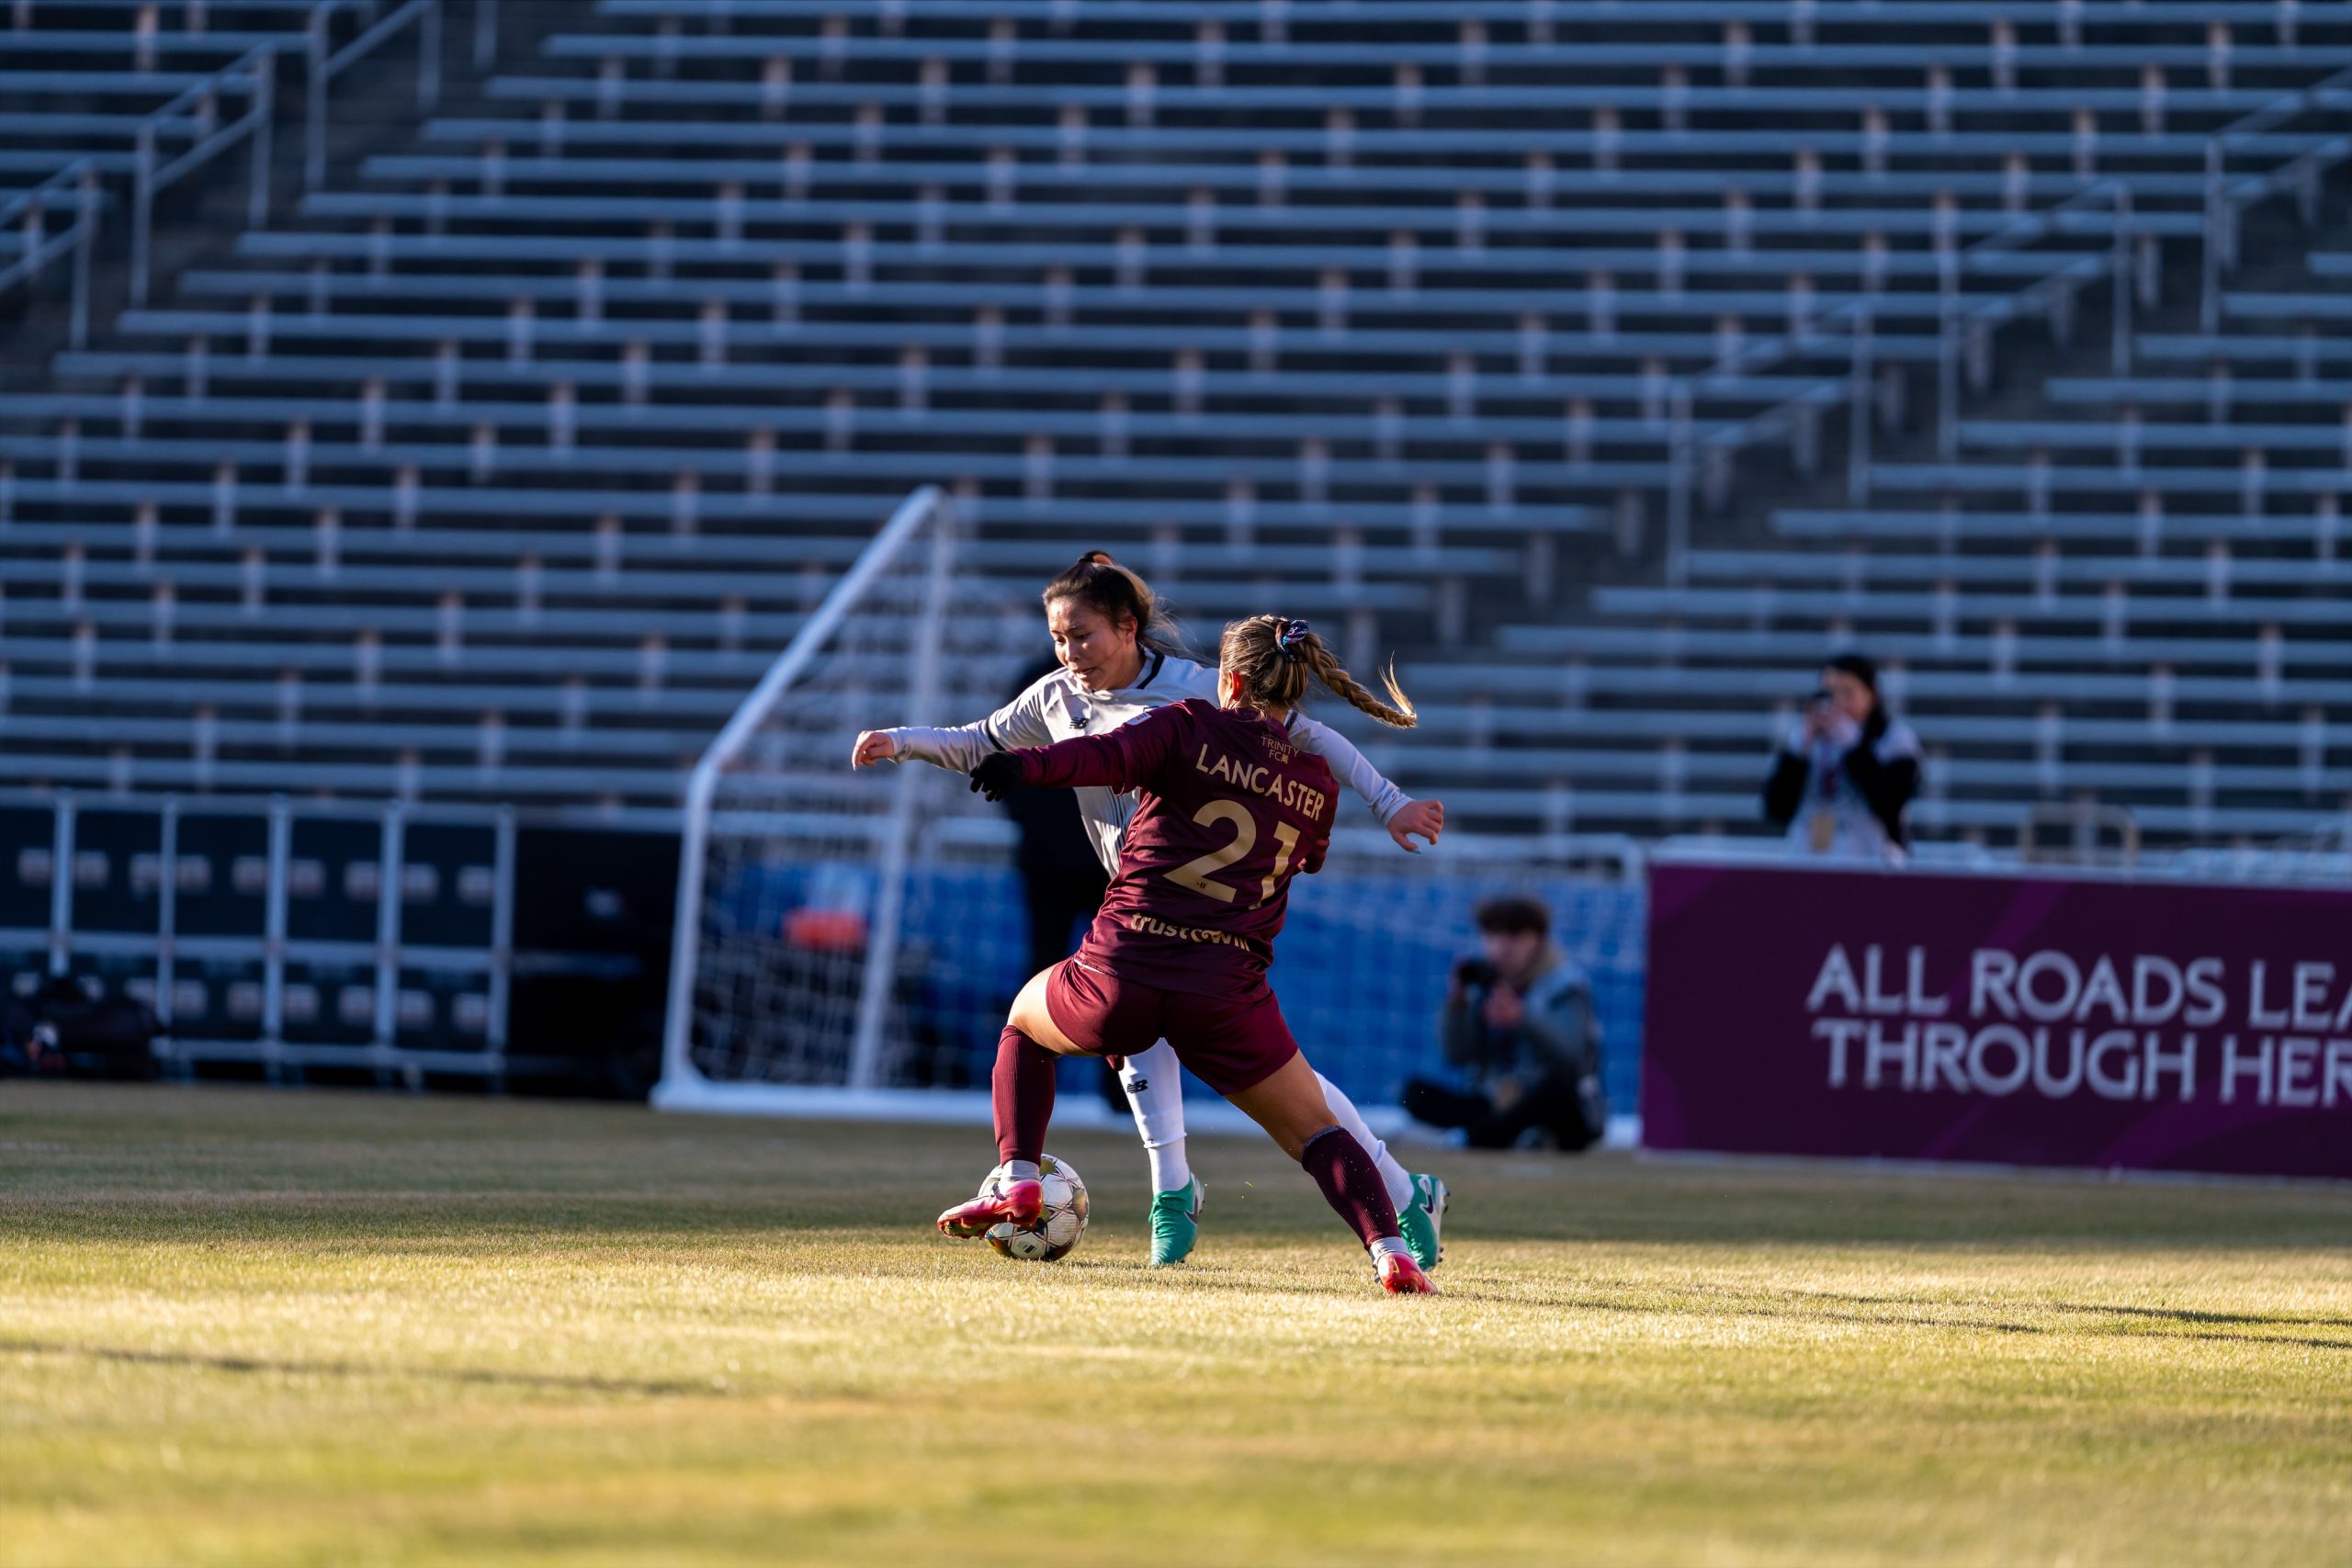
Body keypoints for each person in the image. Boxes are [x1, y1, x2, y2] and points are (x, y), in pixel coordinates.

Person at [853, 553, 1452, 1270]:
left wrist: (1388, 800)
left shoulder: (1196, 699)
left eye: (1083, 634)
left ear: (1128, 628)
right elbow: (983, 740)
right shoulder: (1054, 699)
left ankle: (1355, 1189)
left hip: (1162, 909)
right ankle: (1200, 1198)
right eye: (1059, 637)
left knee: (1129, 1029)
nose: (1069, 652)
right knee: (1173, 1055)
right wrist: (905, 743)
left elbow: (1288, 734)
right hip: (1166, 910)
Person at [997, 653, 1120, 1110]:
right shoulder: (1036, 681)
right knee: (1042, 974)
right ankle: (1026, 1089)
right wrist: (1040, 832)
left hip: (1112, 864)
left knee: (1119, 978)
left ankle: (1127, 1096)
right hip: (1048, 861)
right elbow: (1001, 756)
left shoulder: (1133, 684)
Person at [1403, 896, 1607, 1151]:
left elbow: (1573, 1057)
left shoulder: (1567, 985)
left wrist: (1523, 1020)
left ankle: (1481, 1135)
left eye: (1516, 935)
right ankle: (1512, 1134)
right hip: (1499, 1101)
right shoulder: (1483, 985)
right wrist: (1457, 1005)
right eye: (1495, 935)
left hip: (1554, 1107)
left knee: (1559, 1090)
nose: (1504, 945)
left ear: (1539, 940)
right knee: (1414, 1093)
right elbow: (1457, 1055)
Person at [1761, 651, 1922, 863]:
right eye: (1829, 693)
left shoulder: (1895, 740)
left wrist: (1853, 746)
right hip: (1808, 863)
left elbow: (1890, 802)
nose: (1837, 703)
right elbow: (1776, 809)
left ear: (1871, 694)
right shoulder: (1805, 739)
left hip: (1872, 865)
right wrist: (1798, 753)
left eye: (1848, 693)